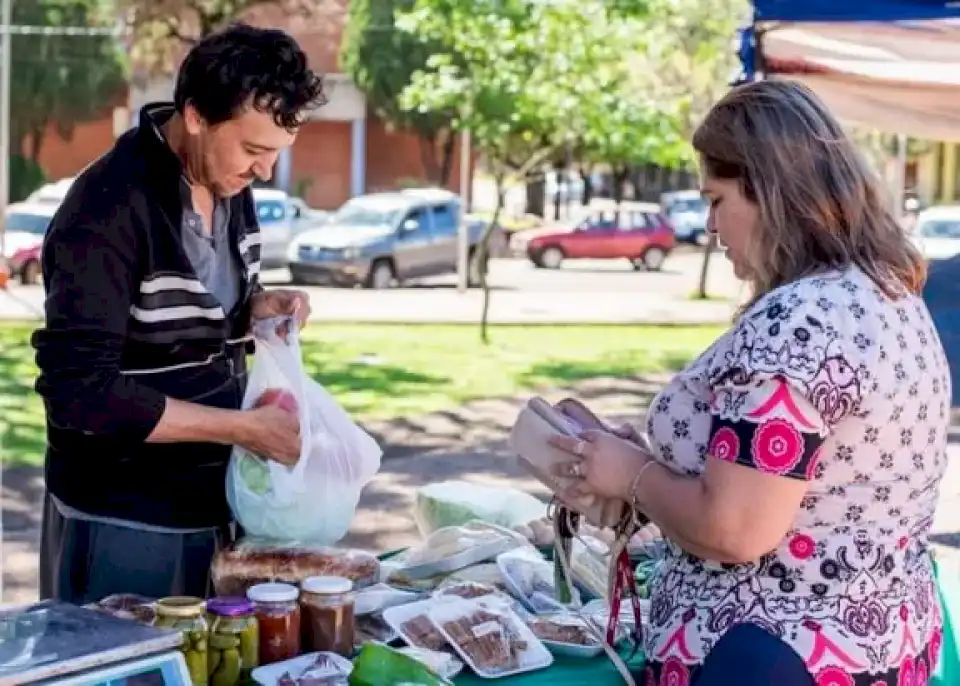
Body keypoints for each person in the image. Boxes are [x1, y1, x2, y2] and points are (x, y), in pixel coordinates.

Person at [549, 80, 948, 686]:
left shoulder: (797, 323)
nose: (709, 224)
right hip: (875, 643)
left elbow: (735, 529)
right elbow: (805, 484)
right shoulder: (886, 293)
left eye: (716, 199)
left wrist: (632, 475)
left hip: (772, 655)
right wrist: (649, 466)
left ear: (769, 191)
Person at [32, 23, 326, 604]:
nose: (263, 171)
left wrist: (254, 310)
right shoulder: (106, 210)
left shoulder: (225, 178)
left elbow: (188, 317)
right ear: (195, 115)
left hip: (214, 505)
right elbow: (79, 392)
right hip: (125, 518)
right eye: (253, 149)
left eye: (275, 153)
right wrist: (243, 429)